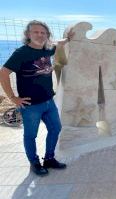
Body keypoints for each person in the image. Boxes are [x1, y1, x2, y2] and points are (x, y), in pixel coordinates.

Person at [0, 20, 74, 176]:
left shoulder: (47, 50)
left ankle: (49, 159)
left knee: (56, 129)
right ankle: (34, 162)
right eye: (36, 32)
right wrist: (13, 98)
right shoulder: (21, 53)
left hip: (49, 101)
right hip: (30, 105)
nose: (40, 35)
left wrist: (68, 39)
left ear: (47, 35)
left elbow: (58, 44)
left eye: (43, 33)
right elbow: (3, 73)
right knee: (31, 135)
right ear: (28, 35)